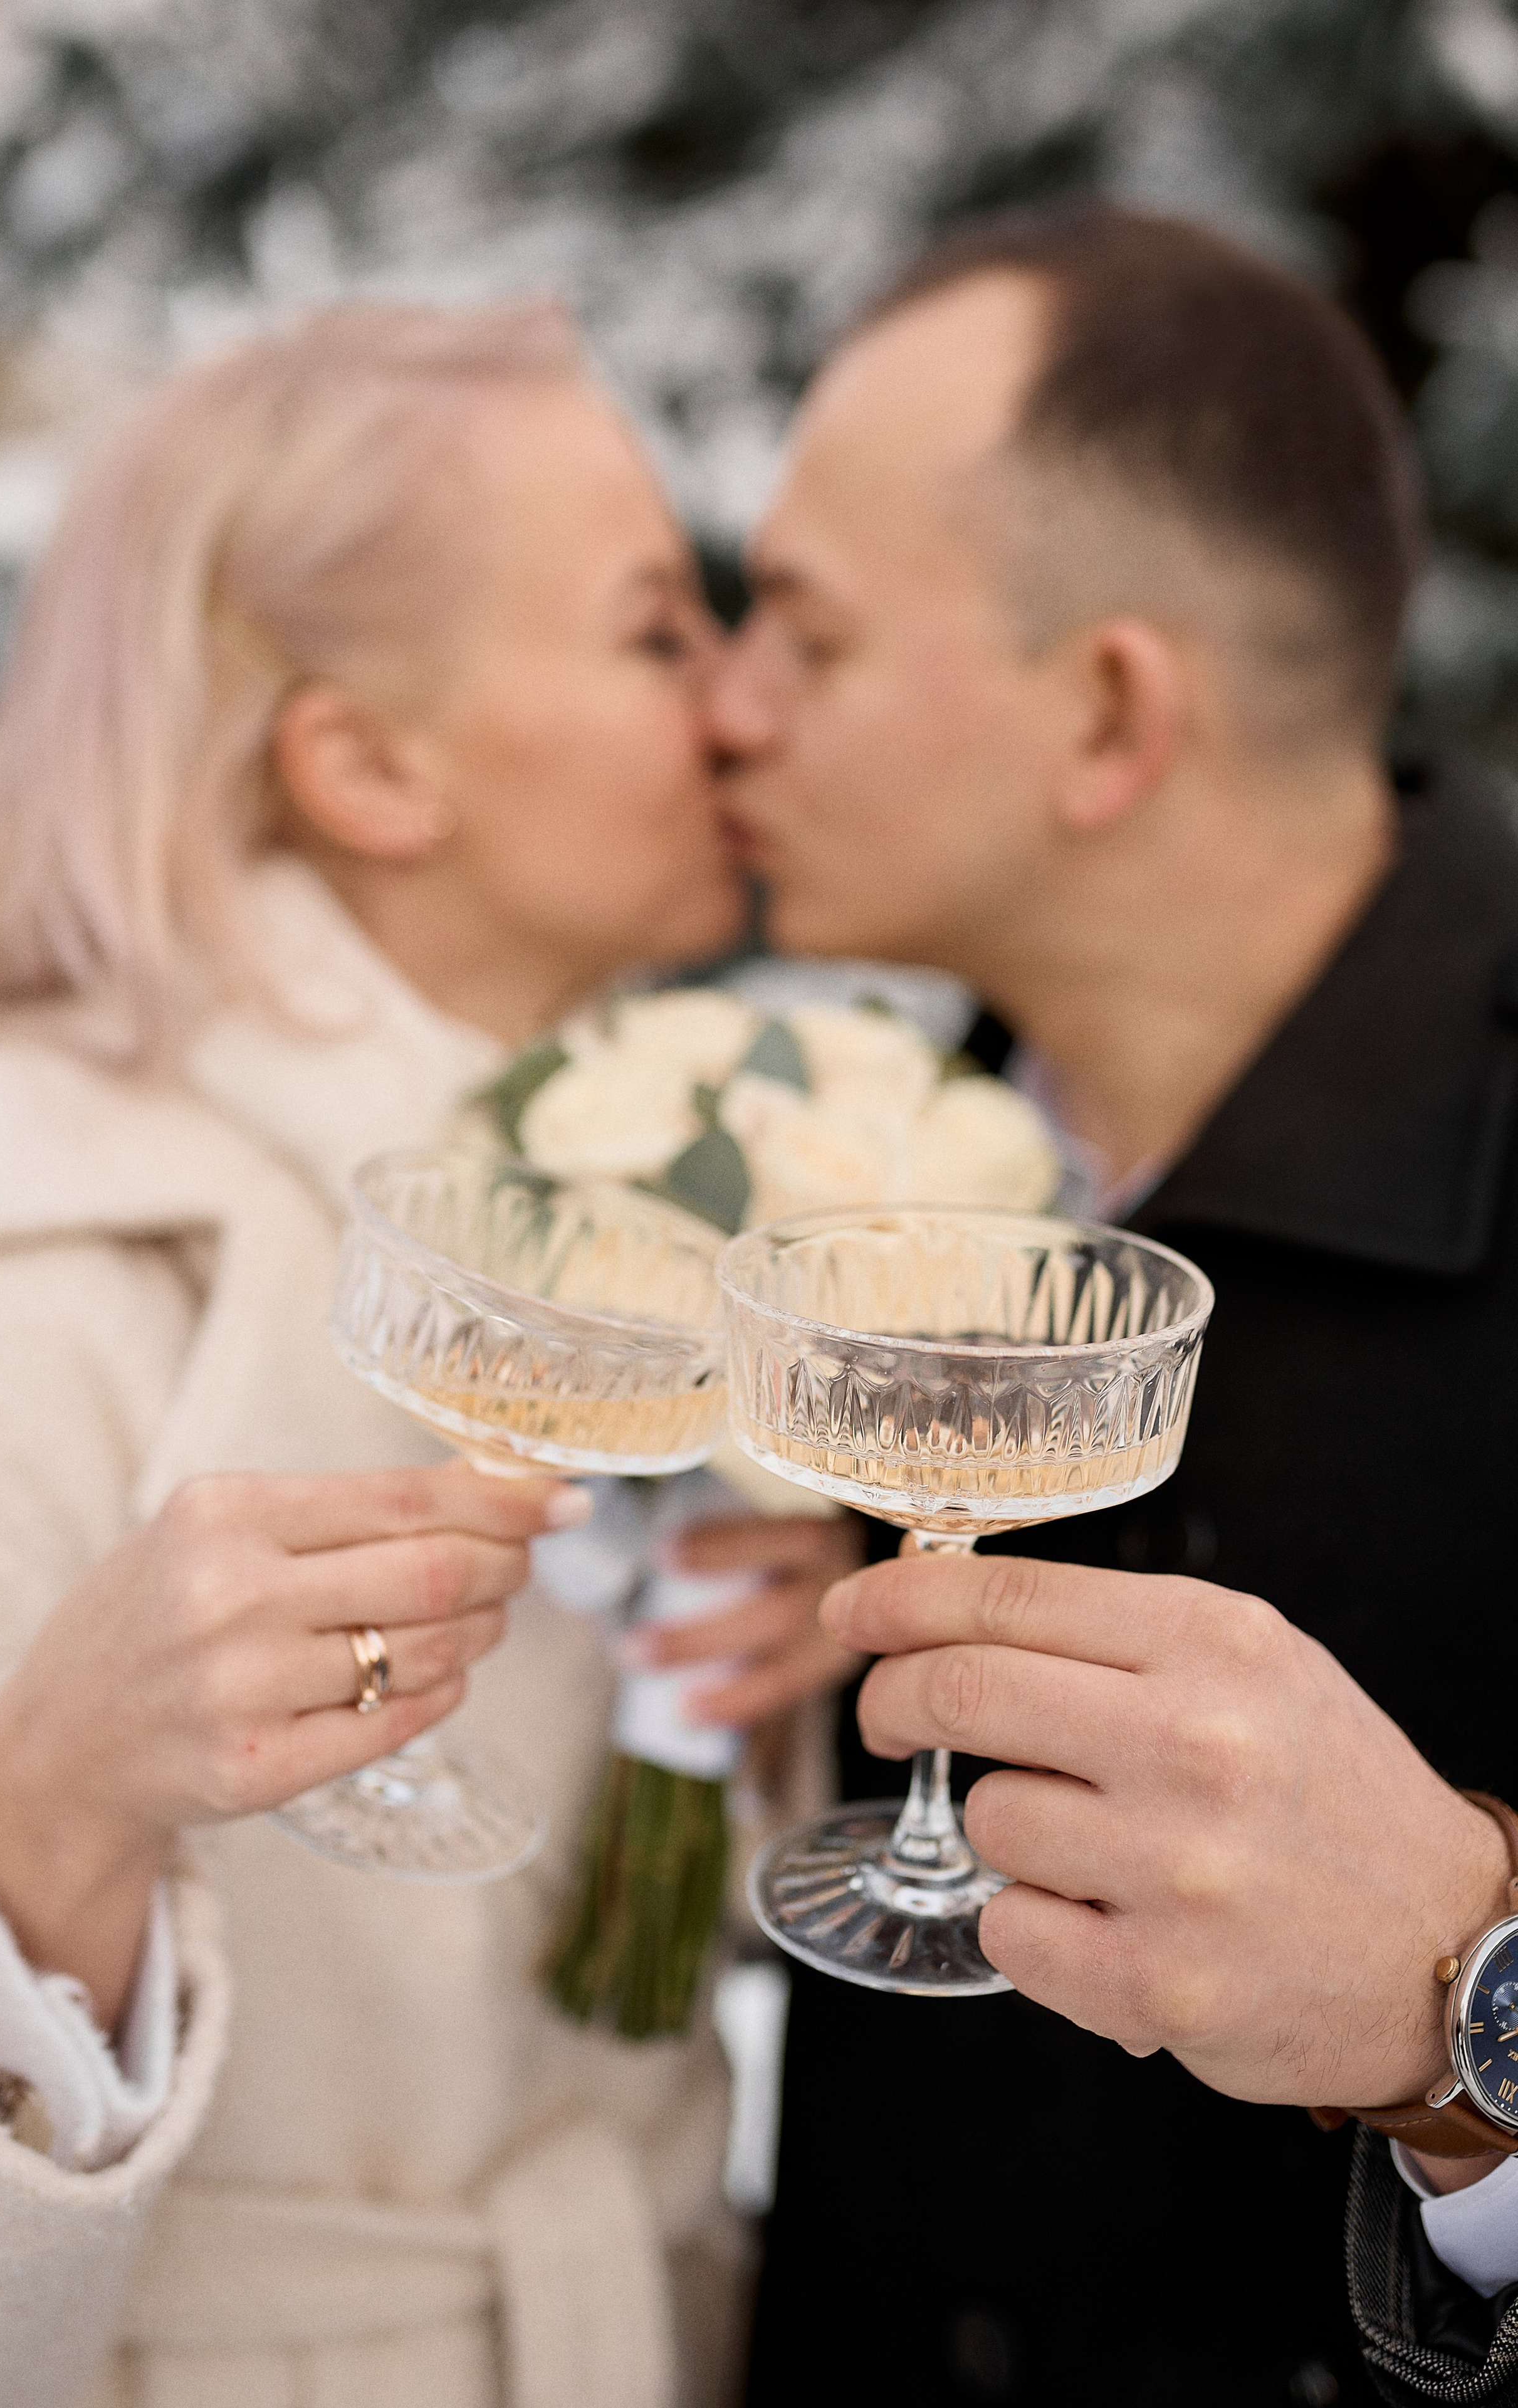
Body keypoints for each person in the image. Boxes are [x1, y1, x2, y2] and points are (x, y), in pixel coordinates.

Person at [0, 298, 856, 2408]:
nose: (739, 703)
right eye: (654, 631)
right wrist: (38, 1815)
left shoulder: (653, 1204)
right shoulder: (21, 1252)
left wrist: (761, 1691)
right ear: (363, 763)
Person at [708, 202, 1518, 2405]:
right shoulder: (887, 1165)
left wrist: (1474, 1994)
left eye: (804, 632)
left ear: (1107, 713)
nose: (723, 704)